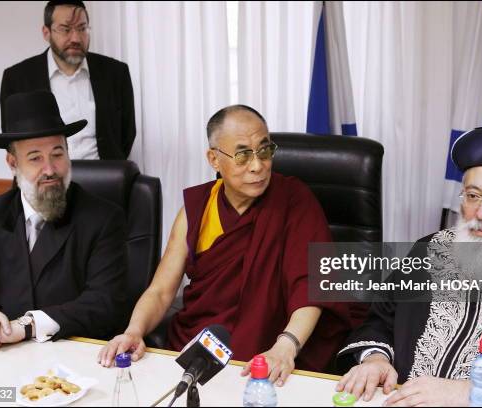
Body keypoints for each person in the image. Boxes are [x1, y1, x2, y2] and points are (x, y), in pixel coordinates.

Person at [99, 105, 362, 383]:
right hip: (201, 349)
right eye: (243, 155)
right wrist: (133, 331)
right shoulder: (198, 209)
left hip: (272, 356)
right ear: (214, 159)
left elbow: (312, 286)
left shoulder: (294, 201)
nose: (258, 165)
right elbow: (161, 291)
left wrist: (285, 346)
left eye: (264, 150)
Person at [335, 127, 482, 406]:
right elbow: (380, 320)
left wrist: (473, 393)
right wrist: (376, 359)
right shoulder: (430, 249)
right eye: (473, 196)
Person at [0, 90, 127, 350]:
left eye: (57, 154)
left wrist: (27, 326)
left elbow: (105, 303)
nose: (50, 169)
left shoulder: (104, 218)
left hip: (72, 363)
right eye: (35, 158)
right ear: (12, 163)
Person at [0, 0, 136, 160]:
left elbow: (127, 134)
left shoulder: (116, 73)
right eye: (65, 29)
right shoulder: (17, 78)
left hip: (105, 178)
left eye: (82, 28)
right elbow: (13, 142)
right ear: (46, 32)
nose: (76, 38)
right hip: (45, 178)